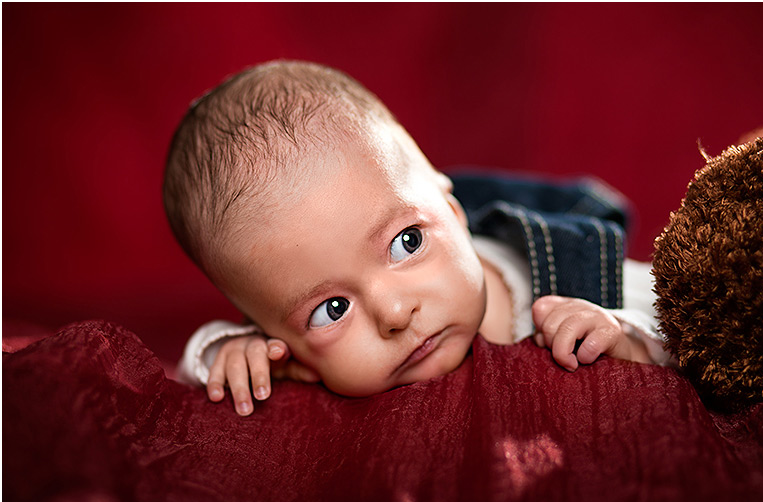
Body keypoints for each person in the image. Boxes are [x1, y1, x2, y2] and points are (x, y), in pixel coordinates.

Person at [164, 60, 671, 416]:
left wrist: (626, 338)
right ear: (288, 348)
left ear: (451, 208)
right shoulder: (280, 348)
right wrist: (231, 351)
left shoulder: (563, 265)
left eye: (407, 242)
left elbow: (679, 322)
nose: (393, 313)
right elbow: (197, 367)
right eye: (332, 310)